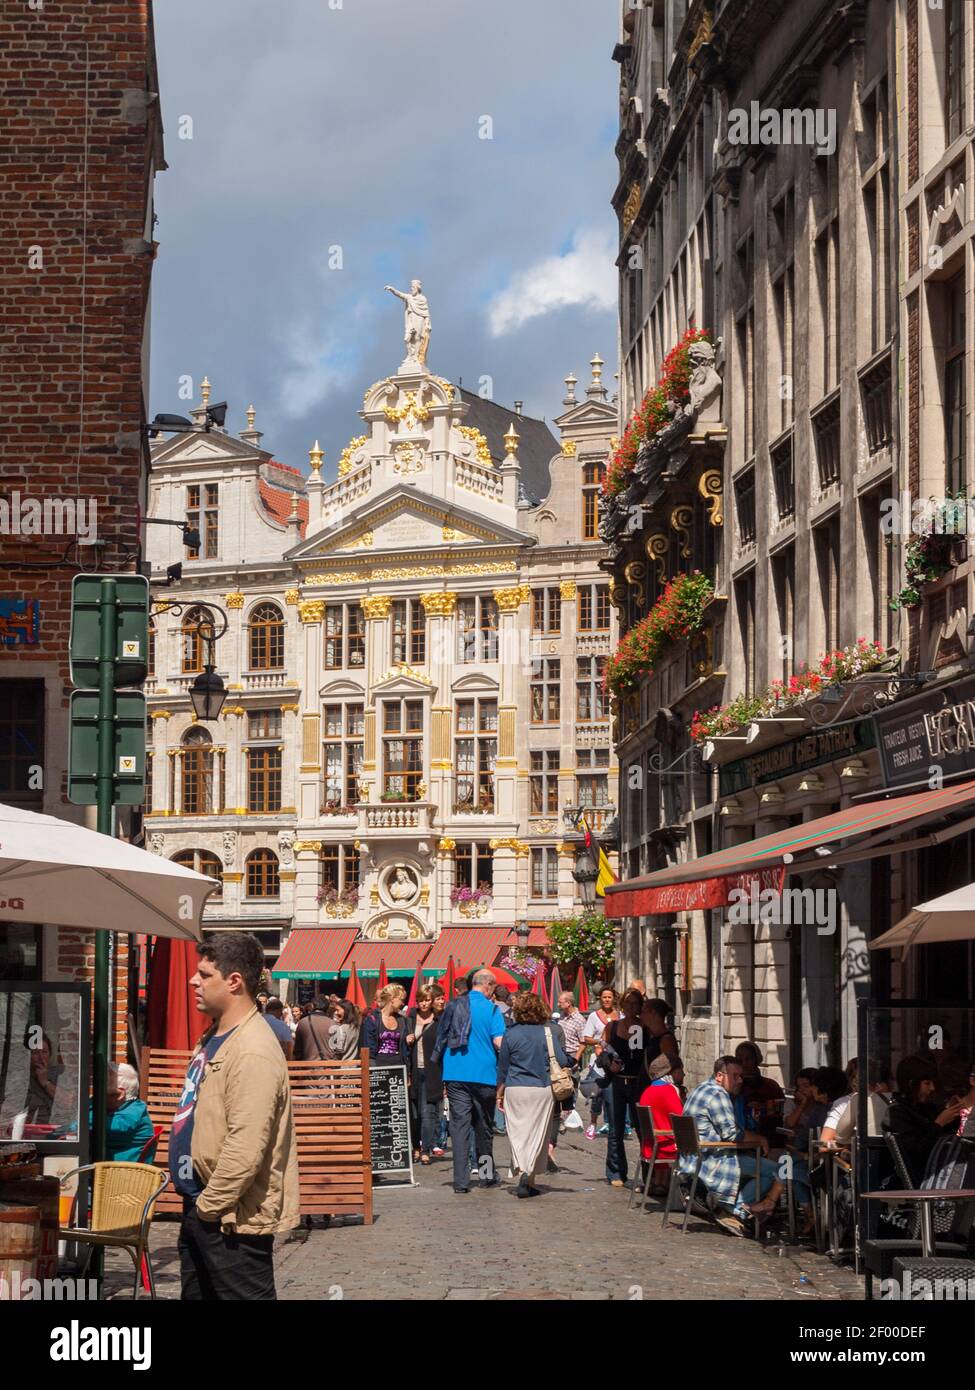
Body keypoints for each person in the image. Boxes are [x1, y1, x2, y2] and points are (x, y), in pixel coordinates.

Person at [171, 931, 299, 1300]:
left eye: (205, 974)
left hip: (231, 1220)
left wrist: (209, 1209)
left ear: (234, 981)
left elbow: (246, 1146)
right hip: (203, 1207)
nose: (194, 980)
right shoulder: (216, 1035)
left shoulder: (252, 1051)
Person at [680, 1056, 785, 1231]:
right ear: (720, 1076)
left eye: (740, 1076)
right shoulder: (718, 1094)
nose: (740, 1080)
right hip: (713, 1159)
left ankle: (734, 1209)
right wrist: (760, 1139)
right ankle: (738, 1210)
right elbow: (731, 1134)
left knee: (760, 1163)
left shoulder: (701, 1088)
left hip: (692, 1157)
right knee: (776, 1170)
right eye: (735, 1076)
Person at [432, 968, 505, 1193]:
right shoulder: (492, 1009)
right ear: (489, 986)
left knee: (459, 1127)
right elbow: (499, 1043)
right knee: (483, 1127)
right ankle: (485, 1175)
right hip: (484, 1075)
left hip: (455, 1073)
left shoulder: (454, 1005)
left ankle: (461, 1182)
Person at [497, 992, 569, 1198]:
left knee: (518, 1133)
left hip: (515, 1088)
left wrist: (499, 1093)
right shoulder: (548, 1033)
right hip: (541, 1087)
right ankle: (528, 1175)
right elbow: (562, 1060)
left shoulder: (510, 1033)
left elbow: (503, 1067)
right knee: (538, 1134)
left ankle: (525, 1173)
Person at [884, 1055, 964, 1185]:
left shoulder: (927, 1108)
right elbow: (915, 1153)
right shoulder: (898, 1113)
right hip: (921, 1180)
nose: (932, 1088)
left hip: (940, 1174)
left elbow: (948, 1136)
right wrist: (939, 1123)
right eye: (927, 1083)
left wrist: (953, 1113)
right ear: (911, 1084)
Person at [601, 988, 647, 1187]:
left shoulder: (645, 1028)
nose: (632, 1007)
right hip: (616, 1082)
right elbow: (602, 1052)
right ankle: (616, 1172)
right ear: (622, 1005)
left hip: (638, 1083)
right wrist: (608, 1063)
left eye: (636, 1003)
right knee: (615, 1128)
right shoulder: (613, 1027)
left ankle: (648, 1173)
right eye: (628, 1003)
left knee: (642, 1129)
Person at [89, 1062, 156, 1162]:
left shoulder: (133, 1113)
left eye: (103, 1086)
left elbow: (98, 1124)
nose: (97, 1090)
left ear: (120, 1094)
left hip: (122, 1174)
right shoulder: (126, 1107)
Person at [638, 1053, 683, 1193]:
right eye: (680, 1070)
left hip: (650, 1146)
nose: (683, 1074)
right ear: (672, 1072)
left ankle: (659, 1181)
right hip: (664, 1147)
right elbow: (680, 1117)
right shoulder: (669, 1091)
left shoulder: (648, 1091)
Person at [581, 988, 619, 1139]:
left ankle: (613, 1124)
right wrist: (601, 1041)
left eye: (609, 997)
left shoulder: (620, 1016)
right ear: (600, 999)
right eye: (604, 997)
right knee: (597, 1094)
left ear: (614, 998)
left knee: (614, 1093)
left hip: (616, 1059)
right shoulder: (593, 1016)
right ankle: (592, 1123)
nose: (607, 1000)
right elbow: (586, 1038)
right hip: (599, 1060)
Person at [408, 987, 439, 1164]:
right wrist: (407, 1040)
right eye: (421, 1000)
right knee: (414, 1114)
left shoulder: (439, 1020)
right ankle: (416, 1148)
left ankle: (426, 1149)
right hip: (413, 1070)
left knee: (428, 1112)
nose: (425, 1003)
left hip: (431, 1071)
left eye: (428, 1000)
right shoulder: (409, 1019)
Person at [735, 1041, 786, 1142]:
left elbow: (780, 1113)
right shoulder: (734, 1084)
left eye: (748, 1059)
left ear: (756, 1060)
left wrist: (764, 1108)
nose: (744, 1064)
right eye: (740, 1060)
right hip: (742, 1137)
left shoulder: (771, 1086)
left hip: (768, 1136)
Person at [361, 984, 412, 1067]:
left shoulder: (403, 1020)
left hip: (399, 1068)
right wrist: (373, 1073)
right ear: (392, 999)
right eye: (402, 1000)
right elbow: (369, 1051)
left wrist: (408, 1042)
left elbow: (405, 1049)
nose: (403, 1003)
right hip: (379, 1069)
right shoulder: (372, 1019)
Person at [293, 995, 338, 1062]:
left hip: (308, 1066)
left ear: (313, 1006)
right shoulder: (333, 1024)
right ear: (327, 1008)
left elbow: (297, 1049)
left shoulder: (303, 1022)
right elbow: (337, 1049)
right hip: (328, 1067)